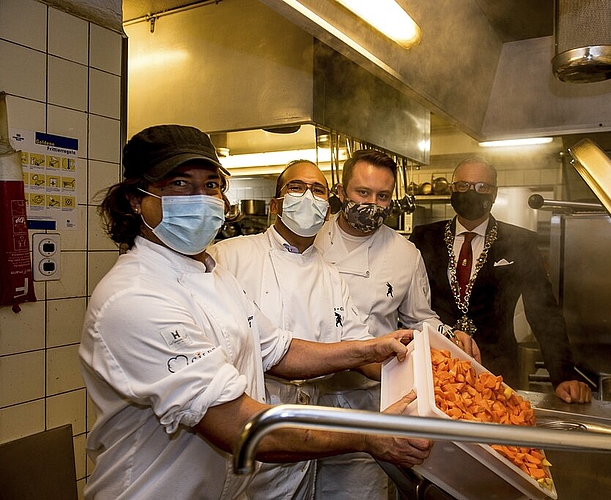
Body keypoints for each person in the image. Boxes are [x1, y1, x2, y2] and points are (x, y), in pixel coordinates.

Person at [78, 125, 432, 500]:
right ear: (136, 199)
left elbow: (278, 349)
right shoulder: (136, 298)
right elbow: (238, 426)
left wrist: (372, 348)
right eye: (179, 185)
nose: (200, 199)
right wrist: (369, 436)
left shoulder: (215, 275)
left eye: (211, 185)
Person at [210, 158, 420, 499]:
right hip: (235, 419)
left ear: (326, 209)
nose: (307, 196)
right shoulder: (228, 256)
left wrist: (419, 370)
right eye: (296, 187)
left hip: (303, 424)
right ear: (276, 205)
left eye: (317, 190)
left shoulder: (330, 277)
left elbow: (362, 347)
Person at [312, 149, 478, 499]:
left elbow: (420, 319)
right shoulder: (308, 240)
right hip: (301, 395)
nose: (372, 204)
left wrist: (450, 335)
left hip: (367, 403)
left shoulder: (405, 254)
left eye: (382, 196)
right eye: (362, 193)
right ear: (341, 193)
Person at [410, 156, 592, 404]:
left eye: (481, 187)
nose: (472, 193)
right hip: (436, 366)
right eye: (463, 186)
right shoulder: (424, 238)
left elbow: (543, 312)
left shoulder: (521, 242)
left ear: (494, 194)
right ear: (452, 190)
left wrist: (563, 375)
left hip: (498, 370)